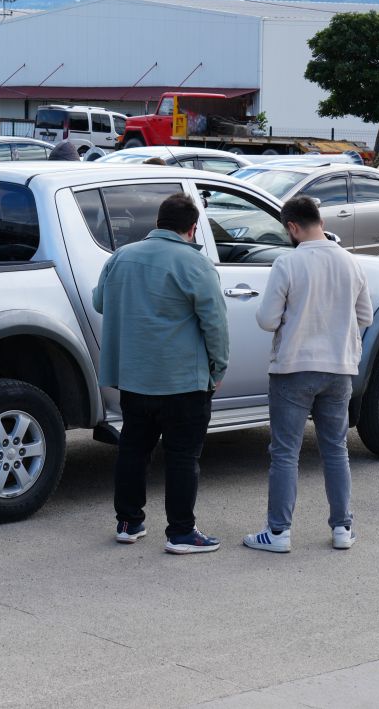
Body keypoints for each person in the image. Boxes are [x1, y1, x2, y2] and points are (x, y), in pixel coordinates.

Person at [93, 193, 229, 554]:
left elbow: (99, 302)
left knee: (133, 450)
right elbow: (214, 323)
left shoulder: (121, 257)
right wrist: (219, 366)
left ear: (158, 222)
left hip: (135, 378)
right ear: (192, 228)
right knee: (183, 456)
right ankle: (181, 532)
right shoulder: (195, 264)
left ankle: (128, 522)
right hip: (184, 380)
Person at [244, 196, 372, 553]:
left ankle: (279, 532)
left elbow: (267, 319)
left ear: (292, 227)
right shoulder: (351, 262)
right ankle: (342, 528)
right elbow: (366, 317)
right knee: (335, 449)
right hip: (339, 368)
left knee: (285, 452)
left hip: (294, 368)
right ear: (320, 221)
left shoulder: (288, 263)